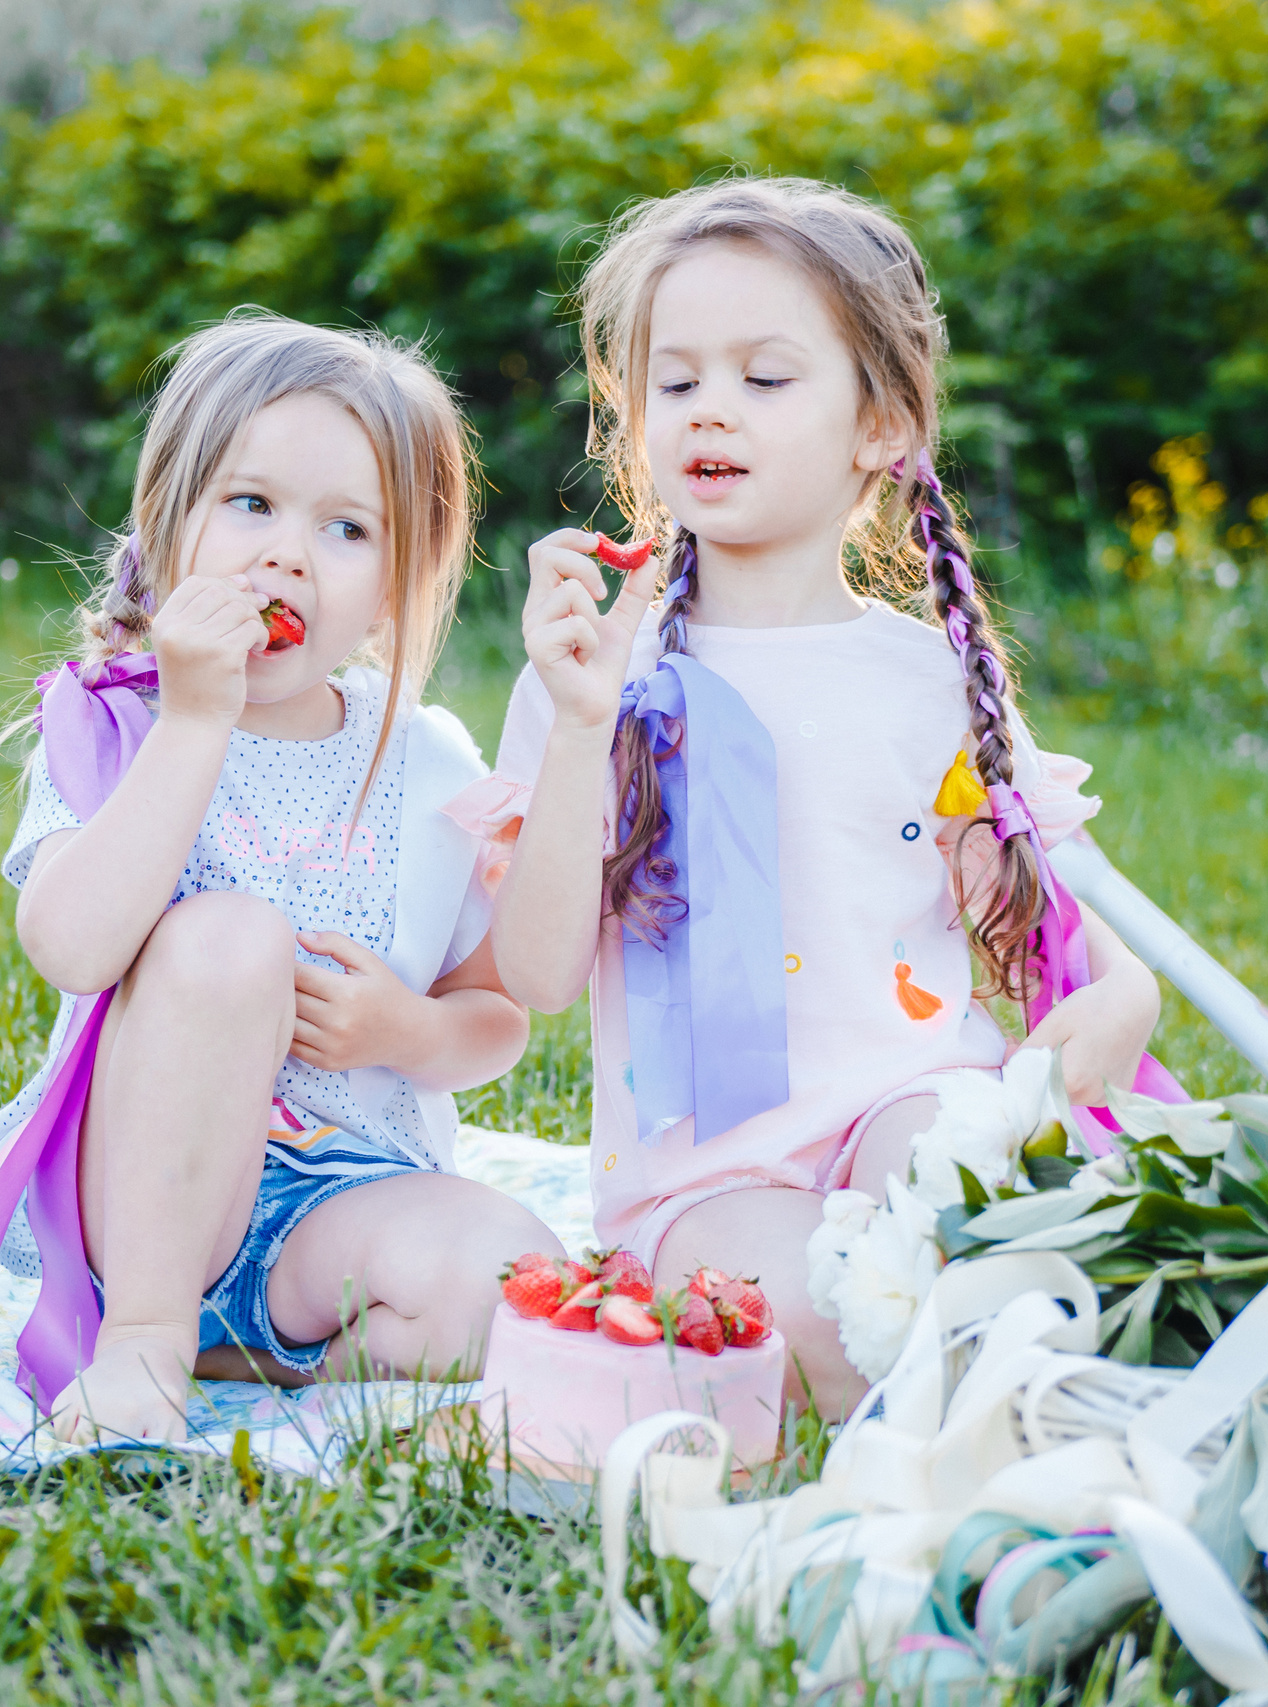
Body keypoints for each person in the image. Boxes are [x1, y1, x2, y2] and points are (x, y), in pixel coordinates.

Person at [458, 179, 1169, 1417]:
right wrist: (580, 729)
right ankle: (985, 1424)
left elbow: (1035, 902)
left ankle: (1027, 1403)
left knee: (978, 1221)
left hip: (910, 1100)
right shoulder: (598, 680)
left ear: (879, 425)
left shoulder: (927, 674)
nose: (709, 409)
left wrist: (1130, 989)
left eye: (763, 378)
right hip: (708, 1177)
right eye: (673, 383)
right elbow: (536, 975)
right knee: (805, 1317)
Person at [0, 311, 555, 1444]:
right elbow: (74, 948)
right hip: (131, 1189)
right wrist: (196, 716)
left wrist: (404, 1032)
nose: (285, 554)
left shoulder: (427, 762)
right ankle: (145, 1339)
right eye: (250, 505)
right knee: (229, 937)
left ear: (394, 583)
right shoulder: (121, 725)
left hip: (328, 1208)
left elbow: (496, 1016)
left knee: (514, 1272)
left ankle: (247, 1350)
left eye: (347, 528)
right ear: (171, 523)